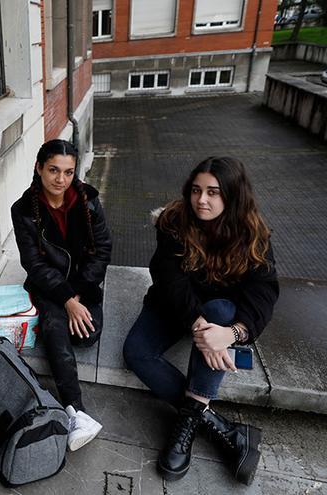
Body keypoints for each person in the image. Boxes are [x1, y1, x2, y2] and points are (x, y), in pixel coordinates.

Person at [122, 157, 279, 485]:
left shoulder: (253, 234)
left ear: (233, 195)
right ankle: (214, 425)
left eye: (213, 192)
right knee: (135, 351)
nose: (201, 200)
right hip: (173, 307)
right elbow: (169, 280)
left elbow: (263, 292)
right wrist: (199, 326)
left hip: (221, 317)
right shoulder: (174, 221)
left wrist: (233, 333)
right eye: (196, 190)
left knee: (221, 309)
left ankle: (186, 426)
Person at [10, 139, 112, 451]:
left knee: (86, 336)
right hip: (48, 287)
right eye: (54, 170)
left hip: (84, 285)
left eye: (68, 172)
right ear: (39, 168)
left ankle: (60, 317)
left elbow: (102, 250)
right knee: (55, 327)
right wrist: (66, 300)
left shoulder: (89, 202)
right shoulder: (23, 211)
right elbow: (35, 264)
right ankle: (75, 410)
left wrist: (78, 295)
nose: (61, 179)